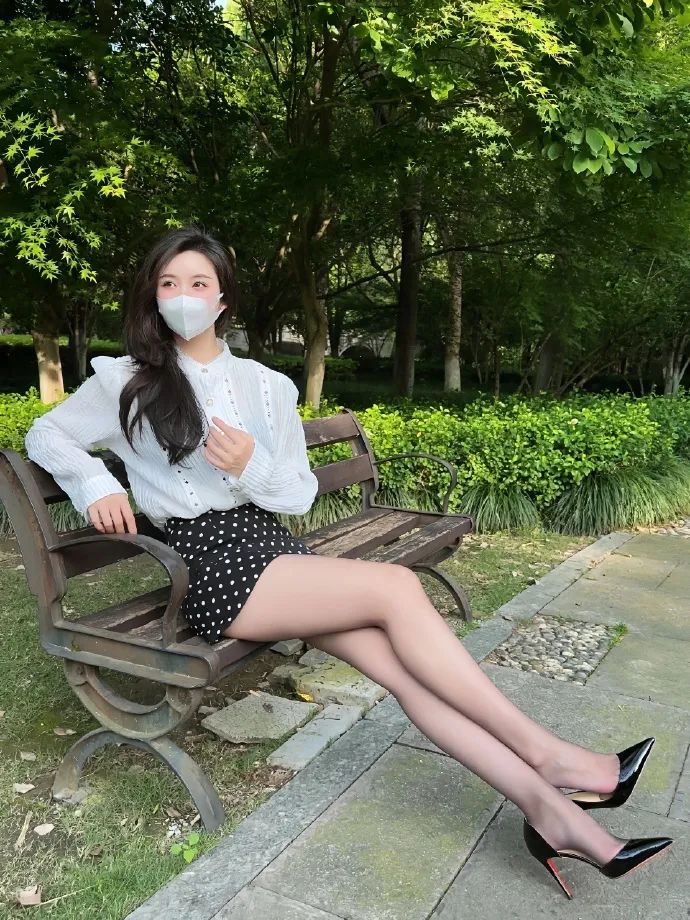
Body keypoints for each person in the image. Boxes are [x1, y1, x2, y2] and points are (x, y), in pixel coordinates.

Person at [25, 227, 671, 898]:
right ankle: (551, 756)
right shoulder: (127, 380)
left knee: (409, 678)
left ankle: (552, 815)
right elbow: (45, 432)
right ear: (153, 297)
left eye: (198, 283)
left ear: (222, 299)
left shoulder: (266, 386)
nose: (182, 296)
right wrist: (94, 484)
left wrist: (250, 466)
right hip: (209, 566)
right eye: (168, 284)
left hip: (272, 550)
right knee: (395, 588)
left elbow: (298, 495)